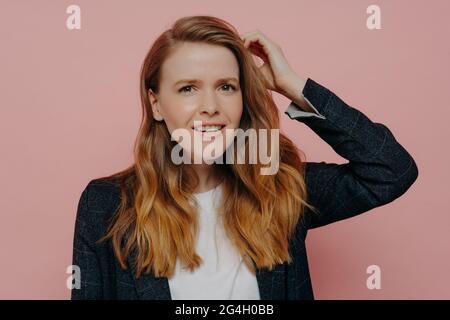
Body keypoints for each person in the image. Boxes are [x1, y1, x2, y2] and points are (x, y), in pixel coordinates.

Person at [71, 15, 418, 300]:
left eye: (226, 86)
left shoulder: (280, 186)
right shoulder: (106, 204)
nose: (210, 106)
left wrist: (293, 86)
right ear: (156, 103)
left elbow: (391, 170)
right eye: (188, 88)